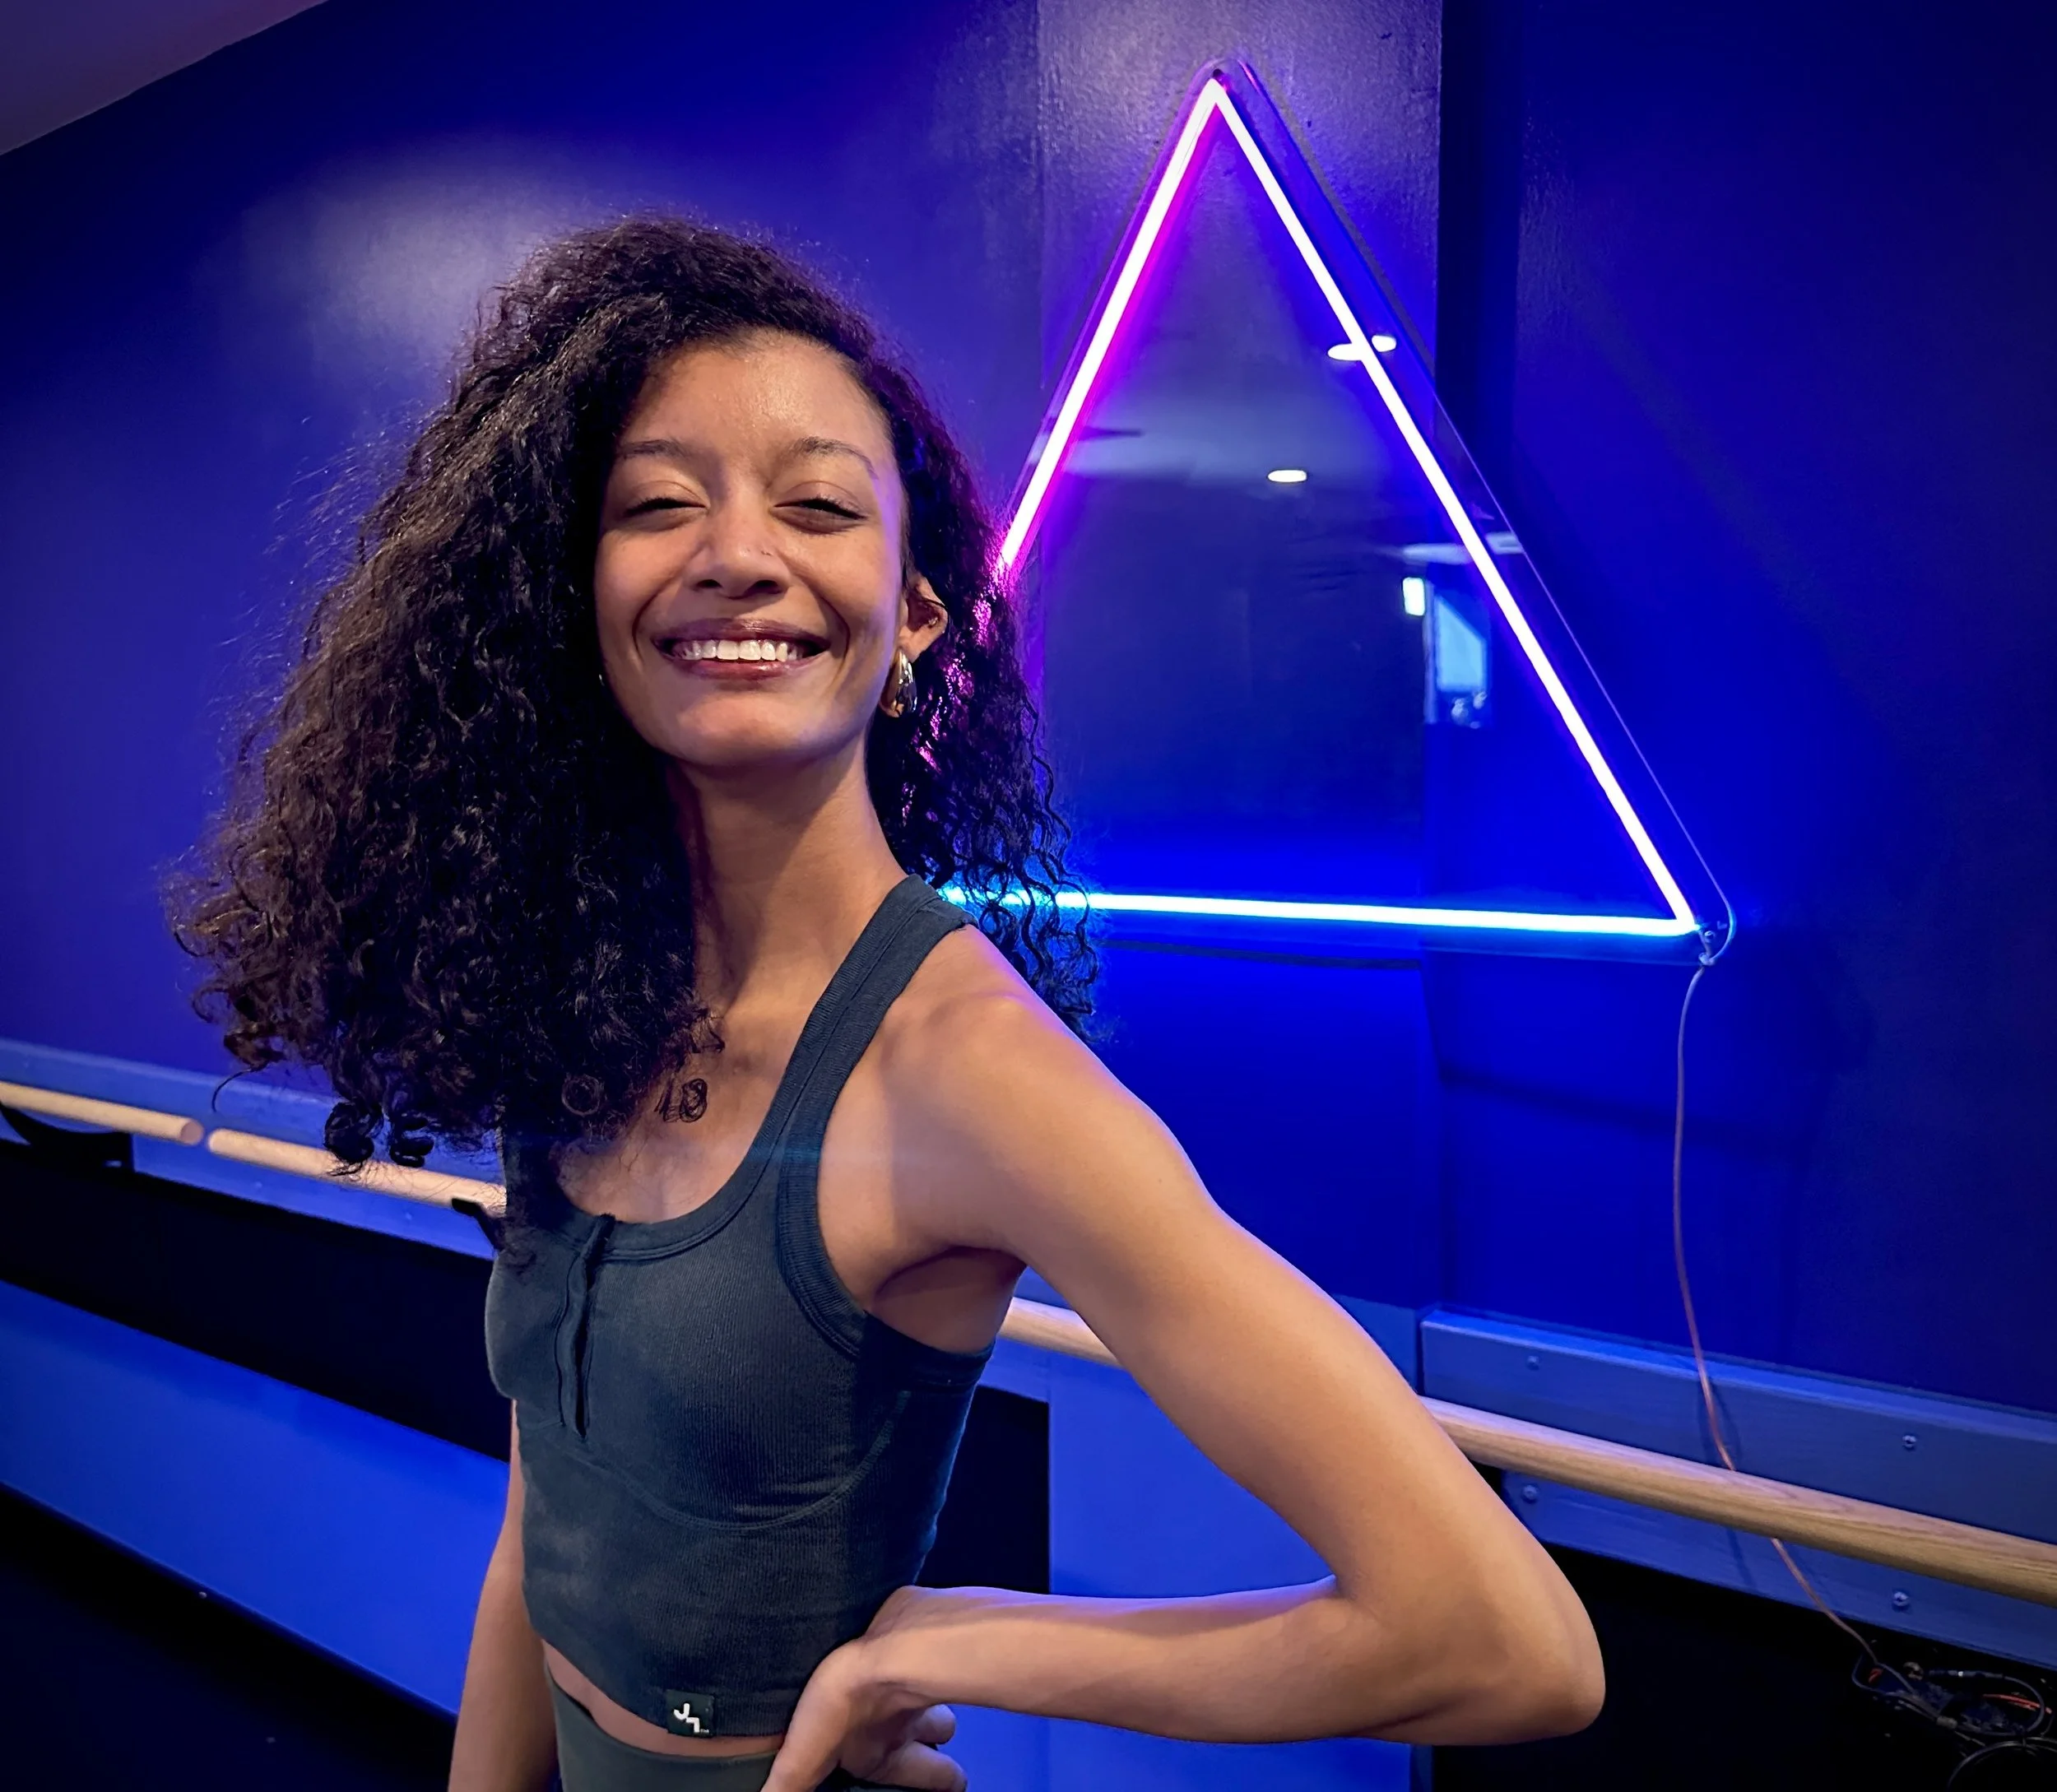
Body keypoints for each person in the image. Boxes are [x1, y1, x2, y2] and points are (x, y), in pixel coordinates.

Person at [177, 219, 1603, 1792]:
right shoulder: (573, 988)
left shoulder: (969, 1073)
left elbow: (1498, 1636)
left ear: (916, 612)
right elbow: (541, 1536)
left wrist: (942, 1641)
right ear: (576, 603)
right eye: (659, 504)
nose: (735, 551)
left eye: (817, 504)